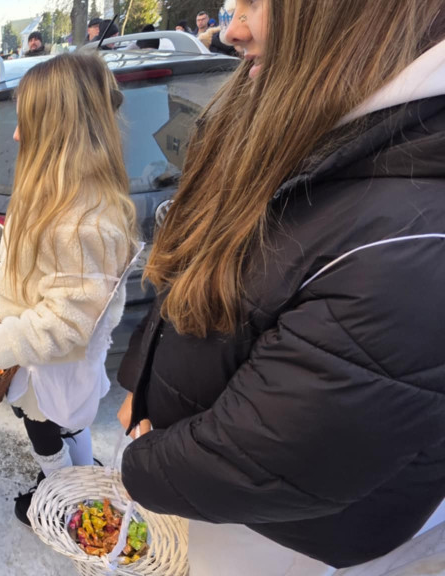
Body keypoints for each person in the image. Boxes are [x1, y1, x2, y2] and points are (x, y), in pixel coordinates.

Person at [116, 1, 445, 574]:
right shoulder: (304, 124)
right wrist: (142, 388)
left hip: (287, 543)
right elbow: (203, 286)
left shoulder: (407, 234)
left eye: (255, 4)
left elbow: (272, 457)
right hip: (232, 508)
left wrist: (138, 465)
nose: (231, 29)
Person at [0, 52, 140, 526]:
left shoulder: (88, 221)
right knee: (44, 424)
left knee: (50, 425)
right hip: (36, 353)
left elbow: (69, 322)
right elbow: (21, 255)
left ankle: (66, 495)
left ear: (58, 128)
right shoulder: (52, 192)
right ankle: (68, 483)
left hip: (57, 362)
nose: (14, 134)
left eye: (23, 122)